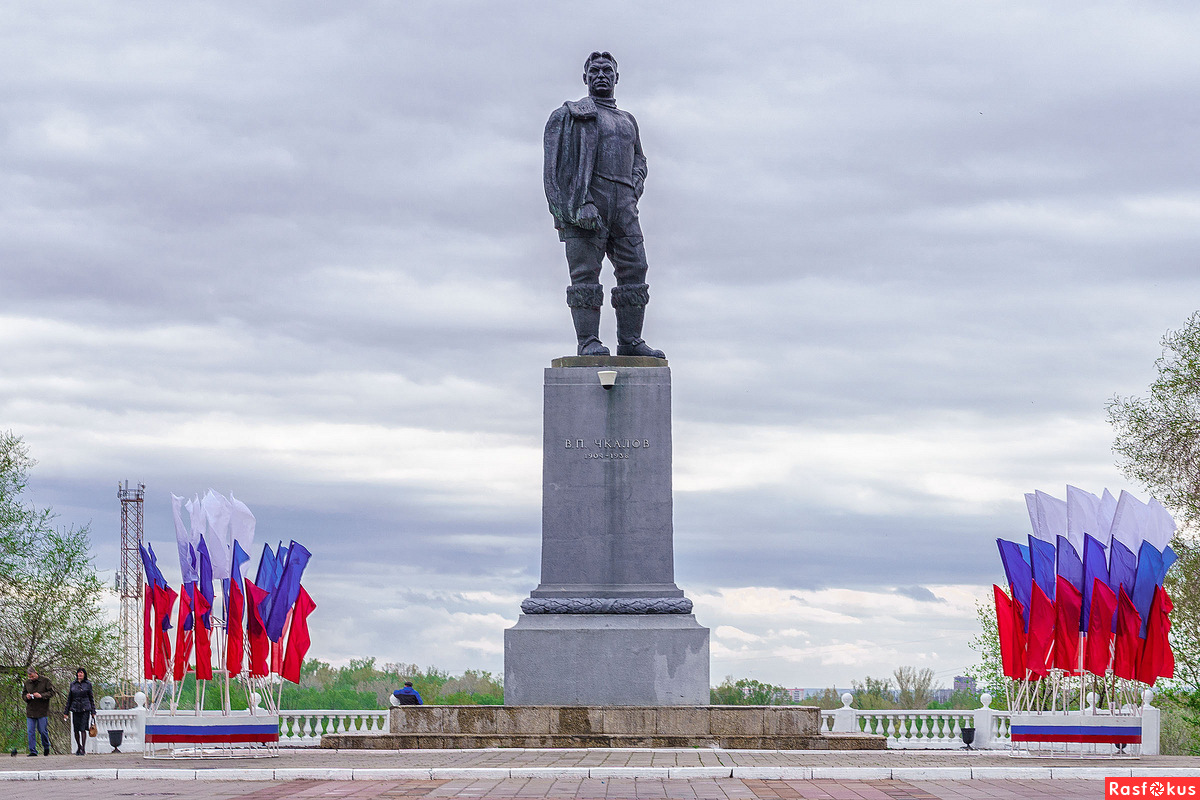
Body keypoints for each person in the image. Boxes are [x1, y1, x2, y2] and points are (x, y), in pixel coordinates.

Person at [544, 51, 665, 360]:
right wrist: (574, 206)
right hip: (588, 203)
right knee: (585, 273)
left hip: (624, 203)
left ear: (616, 77)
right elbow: (554, 170)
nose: (601, 75)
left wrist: (636, 182)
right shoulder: (570, 115)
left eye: (606, 70)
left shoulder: (628, 120)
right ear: (585, 78)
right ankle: (588, 342)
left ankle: (630, 341)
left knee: (635, 267)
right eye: (594, 70)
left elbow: (640, 158)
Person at [62, 668, 96, 756]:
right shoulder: (73, 684)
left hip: (85, 708)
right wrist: (66, 712)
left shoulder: (88, 684)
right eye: (78, 673)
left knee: (83, 728)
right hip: (75, 709)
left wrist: (93, 711)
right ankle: (79, 746)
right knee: (76, 729)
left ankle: (83, 748)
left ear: (84, 674)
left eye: (81, 673)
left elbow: (91, 698)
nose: (80, 675)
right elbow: (70, 698)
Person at [22, 668, 55, 756]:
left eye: (32, 676)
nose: (31, 678)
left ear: (36, 673)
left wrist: (41, 695)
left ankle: (46, 746)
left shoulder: (46, 681)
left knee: (42, 730)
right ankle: (33, 750)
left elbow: (52, 693)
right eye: (29, 677)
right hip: (31, 710)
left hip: (42, 710)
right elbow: (23, 694)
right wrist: (26, 697)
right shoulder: (27, 683)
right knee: (30, 731)